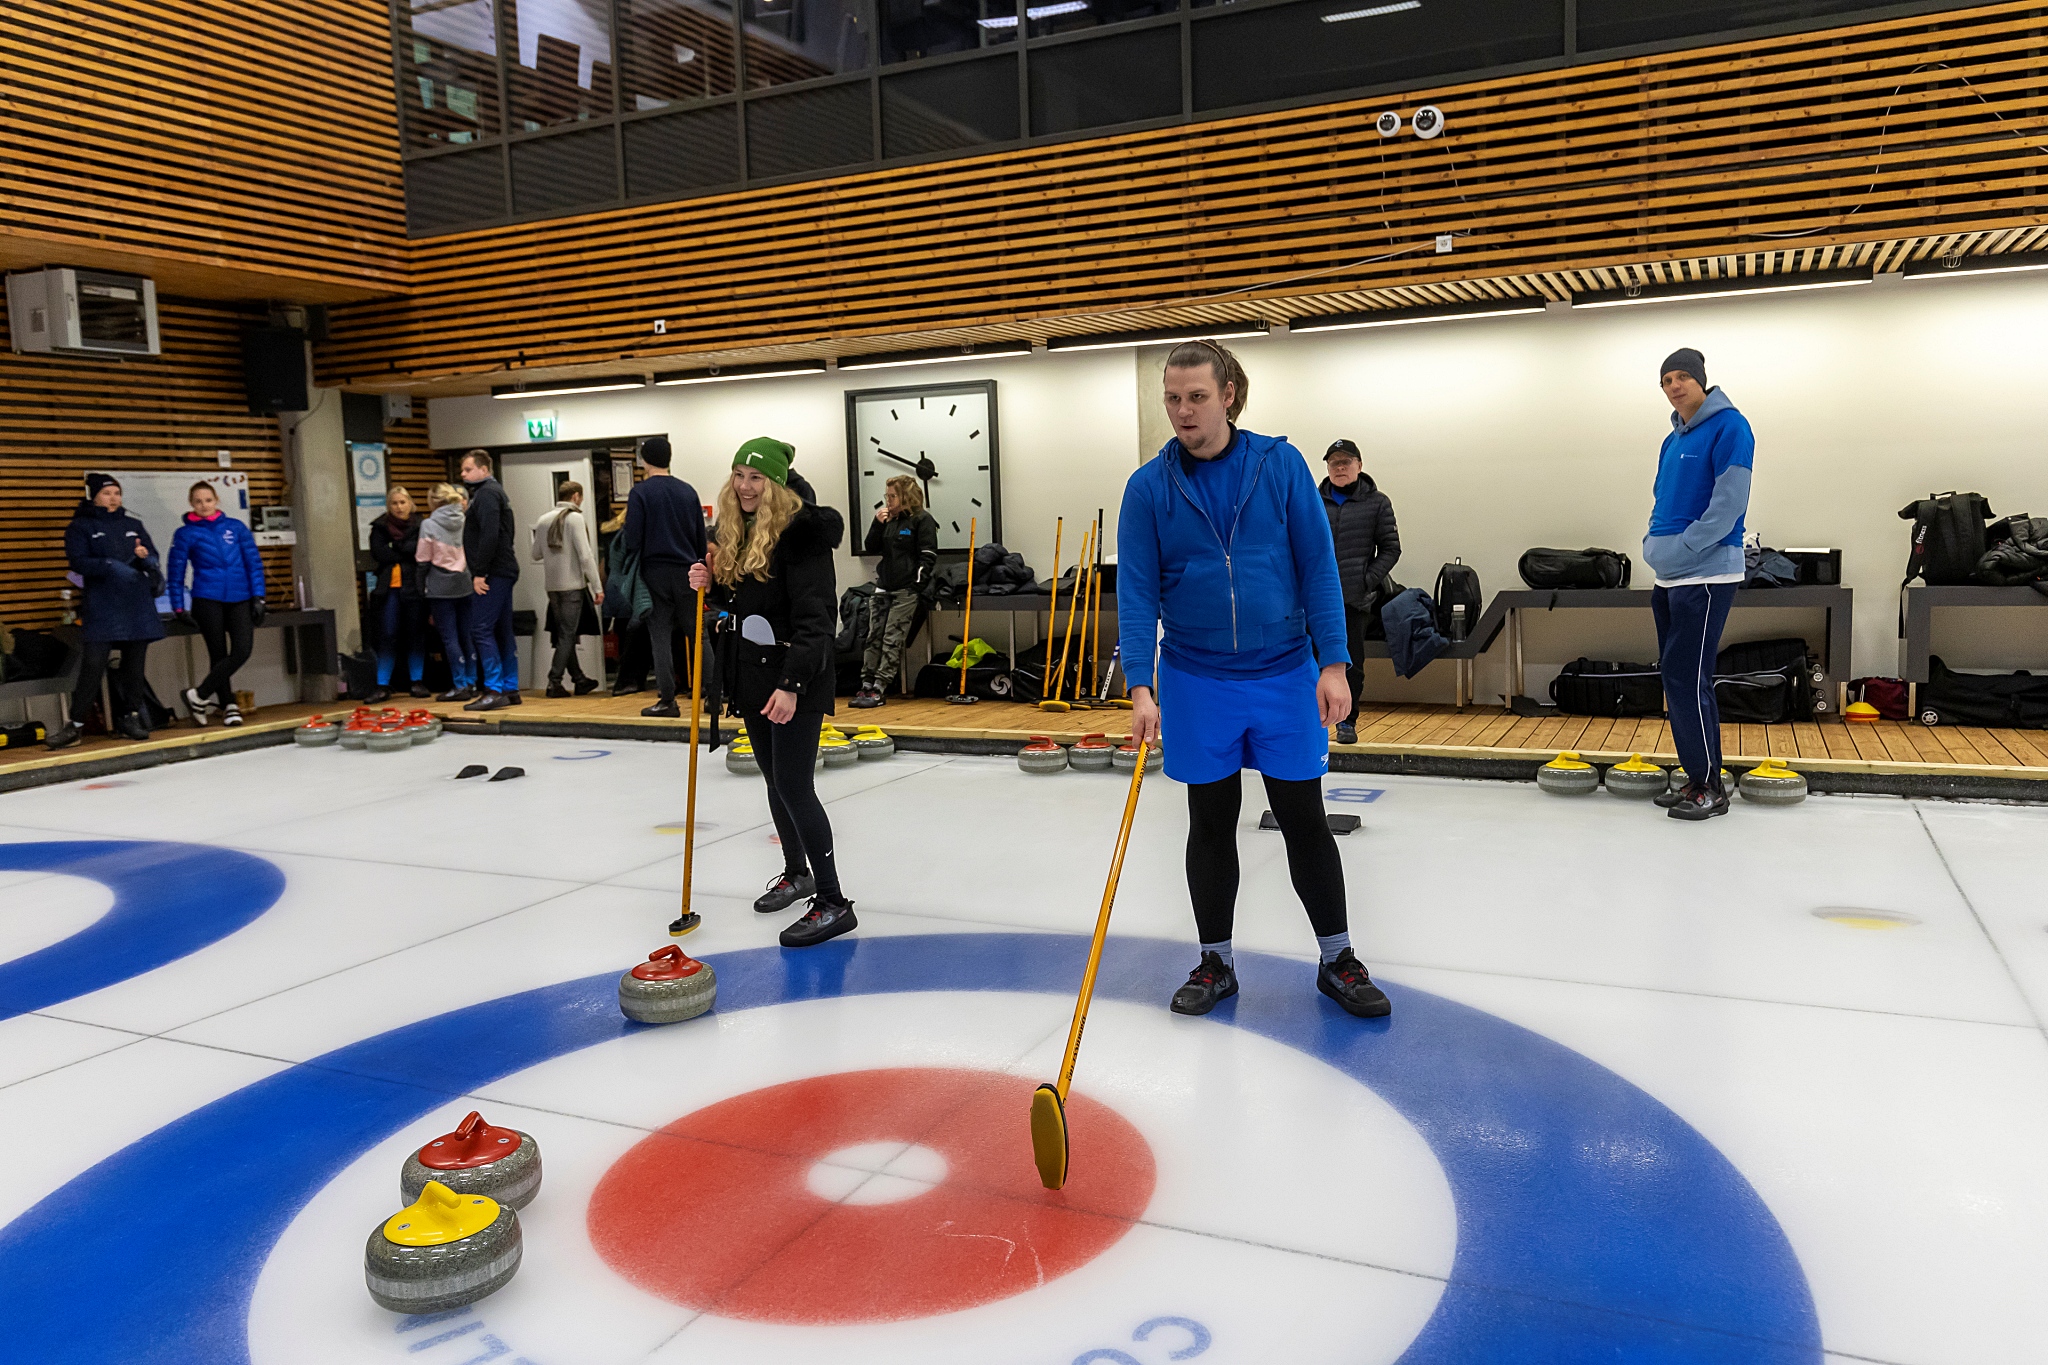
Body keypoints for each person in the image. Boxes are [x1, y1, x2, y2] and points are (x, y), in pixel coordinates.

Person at [1117, 340, 1390, 1020]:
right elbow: (1137, 591)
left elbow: (1317, 566)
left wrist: (1334, 664)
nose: (1183, 411)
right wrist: (1140, 686)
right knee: (1210, 823)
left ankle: (1337, 959)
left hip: (1282, 672)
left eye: (1197, 397)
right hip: (1196, 676)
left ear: (1229, 395)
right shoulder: (1148, 488)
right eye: (1173, 399)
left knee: (1305, 820)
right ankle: (1216, 962)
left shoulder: (1280, 465)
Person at [688, 437, 854, 948]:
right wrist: (712, 585)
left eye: (756, 477)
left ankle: (832, 901)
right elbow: (749, 602)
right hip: (754, 677)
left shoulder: (801, 537)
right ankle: (796, 872)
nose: (745, 486)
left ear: (777, 484)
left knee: (795, 785)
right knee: (775, 781)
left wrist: (792, 686)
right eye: (739, 475)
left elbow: (816, 622)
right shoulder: (741, 531)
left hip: (794, 678)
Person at [1643, 347, 1754, 822]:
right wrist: (1654, 543)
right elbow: (1662, 499)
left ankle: (1710, 786)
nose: (1674, 386)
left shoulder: (1731, 426)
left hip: (1706, 575)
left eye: (1682, 377)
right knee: (1677, 676)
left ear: (1701, 380)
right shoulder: (1671, 440)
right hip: (1669, 576)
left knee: (1688, 677)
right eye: (1666, 380)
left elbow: (1728, 505)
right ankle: (1696, 778)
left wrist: (1685, 547)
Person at [48, 473, 164, 748]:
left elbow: (150, 553)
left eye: (117, 493)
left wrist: (149, 562)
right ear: (94, 496)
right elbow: (78, 562)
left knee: (134, 664)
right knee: (93, 664)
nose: (113, 498)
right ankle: (75, 725)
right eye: (107, 493)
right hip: (102, 603)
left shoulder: (133, 524)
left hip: (136, 602)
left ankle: (130, 717)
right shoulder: (80, 526)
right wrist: (109, 566)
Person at [1318, 439, 1400, 746]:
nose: (1340, 468)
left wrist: (1366, 580)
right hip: (1314, 599)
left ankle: (1346, 722)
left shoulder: (1377, 502)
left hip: (1353, 600)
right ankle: (1311, 721)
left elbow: (1391, 548)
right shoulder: (1312, 500)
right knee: (1309, 661)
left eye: (1346, 462)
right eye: (1334, 463)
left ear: (1359, 465)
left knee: (1350, 664)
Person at [167, 480, 267, 726]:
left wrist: (258, 596)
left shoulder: (236, 527)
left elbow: (253, 563)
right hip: (207, 598)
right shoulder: (185, 533)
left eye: (208, 500)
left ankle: (199, 695)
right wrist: (178, 606)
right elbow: (176, 572)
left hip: (240, 597)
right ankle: (228, 704)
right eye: (198, 501)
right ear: (191, 504)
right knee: (218, 653)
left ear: (216, 501)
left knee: (242, 650)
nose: (204, 505)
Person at [621, 436, 708, 718]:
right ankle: (714, 696)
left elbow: (633, 539)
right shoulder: (688, 491)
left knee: (659, 637)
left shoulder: (640, 493)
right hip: (688, 571)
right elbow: (700, 537)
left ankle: (668, 700)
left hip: (655, 572)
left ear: (644, 460)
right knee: (698, 634)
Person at [851, 474, 937, 707]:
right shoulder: (888, 521)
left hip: (905, 591)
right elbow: (871, 547)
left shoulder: (922, 520)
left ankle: (880, 687)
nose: (888, 501)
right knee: (874, 636)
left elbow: (928, 555)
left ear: (906, 496)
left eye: (892, 496)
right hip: (883, 587)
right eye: (886, 496)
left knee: (892, 638)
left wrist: (916, 585)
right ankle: (866, 684)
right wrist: (877, 524)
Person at [458, 449, 521, 711]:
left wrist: (480, 572)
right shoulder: (496, 493)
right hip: (503, 568)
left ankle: (494, 689)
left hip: (493, 571)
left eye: (468, 469)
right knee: (502, 629)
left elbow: (489, 535)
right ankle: (510, 687)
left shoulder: (486, 495)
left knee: (481, 629)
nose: (463, 474)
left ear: (484, 470)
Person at [530, 480, 604, 697]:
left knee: (565, 634)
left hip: (552, 587)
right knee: (567, 634)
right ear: (576, 496)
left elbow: (536, 554)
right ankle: (554, 681)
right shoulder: (575, 519)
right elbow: (585, 556)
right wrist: (597, 586)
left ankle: (579, 679)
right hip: (572, 585)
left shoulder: (543, 519)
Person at [417, 483, 480, 701]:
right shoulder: (465, 519)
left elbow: (423, 559)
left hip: (440, 587)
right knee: (467, 635)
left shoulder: (429, 524)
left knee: (450, 638)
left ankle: (459, 684)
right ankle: (472, 682)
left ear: (433, 501)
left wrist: (420, 588)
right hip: (465, 582)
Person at [366, 485, 427, 703]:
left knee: (415, 633)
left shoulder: (421, 525)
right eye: (394, 503)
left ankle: (417, 681)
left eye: (402, 502)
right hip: (388, 588)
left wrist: (395, 547)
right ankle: (382, 684)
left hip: (414, 586)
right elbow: (379, 553)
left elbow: (418, 551)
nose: (399, 507)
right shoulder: (379, 527)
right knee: (387, 634)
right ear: (388, 506)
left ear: (410, 503)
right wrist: (403, 551)